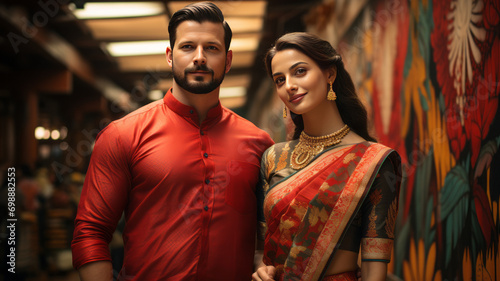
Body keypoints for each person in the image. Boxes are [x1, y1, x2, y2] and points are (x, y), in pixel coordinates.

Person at [71, 2, 274, 280]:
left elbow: (264, 236)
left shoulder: (259, 143)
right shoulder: (123, 134)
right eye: (188, 47)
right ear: (170, 56)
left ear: (227, 60)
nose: (199, 58)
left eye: (211, 48)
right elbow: (90, 233)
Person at [252, 32, 402, 281]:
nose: (288, 85)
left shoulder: (375, 161)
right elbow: (261, 248)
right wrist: (260, 268)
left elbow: (375, 265)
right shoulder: (272, 158)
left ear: (330, 74)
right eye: (280, 79)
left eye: (299, 71)